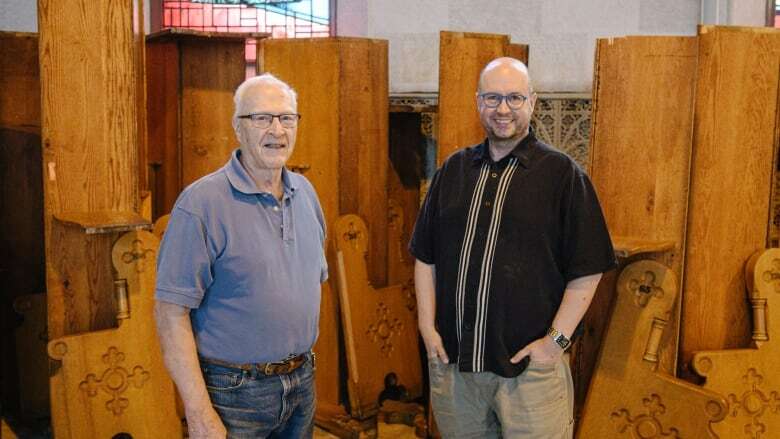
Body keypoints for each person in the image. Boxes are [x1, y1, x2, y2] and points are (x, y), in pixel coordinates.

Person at [409, 57, 616, 438]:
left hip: (530, 374)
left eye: (514, 98)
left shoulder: (563, 175)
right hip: (455, 369)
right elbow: (425, 256)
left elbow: (588, 269)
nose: (503, 109)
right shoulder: (452, 170)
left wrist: (554, 345)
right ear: (478, 102)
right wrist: (427, 327)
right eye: (493, 98)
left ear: (532, 102)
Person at [154, 73, 328, 439]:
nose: (276, 130)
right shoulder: (201, 204)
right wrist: (199, 412)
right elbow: (171, 314)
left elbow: (308, 283)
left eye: (287, 118)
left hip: (302, 381)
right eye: (262, 118)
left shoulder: (306, 192)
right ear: (238, 126)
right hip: (233, 392)